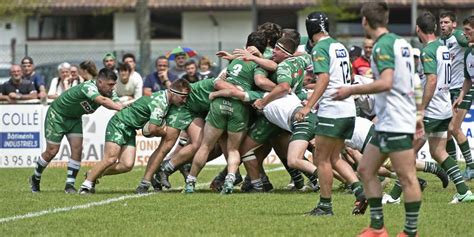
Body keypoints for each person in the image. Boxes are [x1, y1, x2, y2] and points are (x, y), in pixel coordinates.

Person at [332, 3, 423, 236]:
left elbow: (386, 82)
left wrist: (350, 91)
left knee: (406, 176)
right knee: (365, 168)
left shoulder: (382, 46)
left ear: (364, 21)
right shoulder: (401, 42)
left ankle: (410, 232)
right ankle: (377, 228)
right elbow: (414, 80)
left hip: (396, 121)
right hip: (388, 121)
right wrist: (419, 112)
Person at [295, 12, 362, 217]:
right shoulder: (339, 46)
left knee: (321, 159)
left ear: (310, 29)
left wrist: (308, 107)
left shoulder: (320, 48)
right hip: (348, 109)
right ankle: (361, 191)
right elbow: (349, 75)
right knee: (334, 157)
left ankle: (325, 206)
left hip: (332, 110)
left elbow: (323, 79)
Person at [183, 31, 268, 194]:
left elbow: (219, 80)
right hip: (239, 107)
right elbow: (262, 80)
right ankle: (229, 180)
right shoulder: (260, 64)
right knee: (233, 149)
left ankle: (190, 182)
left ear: (246, 44)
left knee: (205, 146)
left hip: (219, 103)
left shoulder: (235, 59)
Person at [79, 79, 191, 194]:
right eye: (183, 97)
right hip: (119, 124)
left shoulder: (165, 100)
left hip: (130, 128)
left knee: (126, 165)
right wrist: (164, 132)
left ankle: (93, 173)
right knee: (110, 159)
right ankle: (85, 186)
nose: (184, 100)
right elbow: (153, 129)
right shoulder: (160, 103)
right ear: (172, 93)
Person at [29, 68, 123, 194]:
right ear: (100, 82)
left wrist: (122, 107)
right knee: (52, 151)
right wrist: (121, 108)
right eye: (110, 84)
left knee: (77, 149)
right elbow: (104, 101)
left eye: (114, 84)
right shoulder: (89, 87)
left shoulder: (109, 91)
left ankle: (70, 185)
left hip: (74, 118)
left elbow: (117, 102)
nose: (112, 88)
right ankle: (35, 177)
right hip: (57, 116)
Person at [439, 11, 474, 179]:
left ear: (454, 24)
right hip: (451, 91)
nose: (443, 25)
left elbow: (463, 39)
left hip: (461, 88)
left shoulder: (460, 38)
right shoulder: (440, 43)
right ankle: (453, 166)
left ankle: (469, 166)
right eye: (441, 22)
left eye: (446, 22)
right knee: (448, 130)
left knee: (453, 127)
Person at [457, 15, 474, 180]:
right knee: (454, 127)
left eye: (468, 30)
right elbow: (468, 78)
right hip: (470, 91)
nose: (465, 33)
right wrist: (461, 96)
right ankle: (470, 166)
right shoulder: (469, 51)